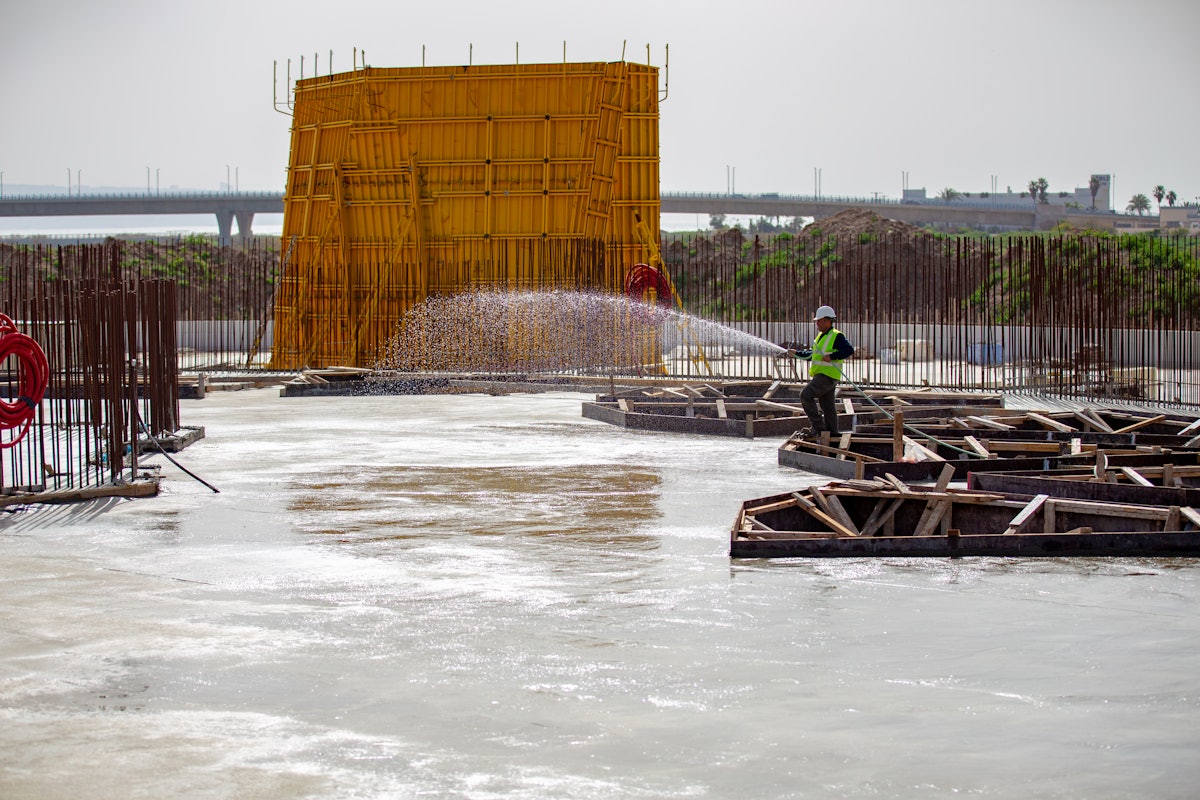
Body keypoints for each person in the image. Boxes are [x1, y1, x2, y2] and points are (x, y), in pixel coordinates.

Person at [782, 305, 854, 439]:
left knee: (805, 395)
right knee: (827, 406)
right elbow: (812, 355)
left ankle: (818, 428)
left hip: (827, 375)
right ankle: (832, 432)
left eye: (819, 321)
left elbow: (849, 350)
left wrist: (832, 357)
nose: (817, 323)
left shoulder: (836, 336)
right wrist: (797, 354)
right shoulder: (820, 337)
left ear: (828, 321)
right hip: (824, 375)